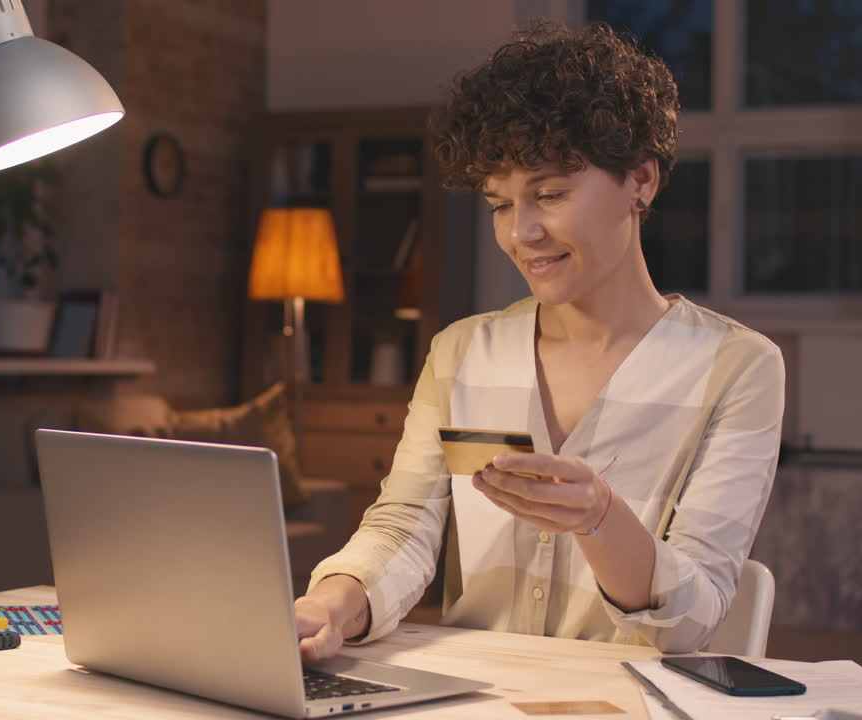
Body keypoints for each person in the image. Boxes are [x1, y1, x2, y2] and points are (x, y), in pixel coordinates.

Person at [294, 21, 785, 659]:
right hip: (471, 697)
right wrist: (332, 602)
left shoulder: (738, 368)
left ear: (642, 180)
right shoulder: (463, 353)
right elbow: (402, 527)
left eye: (549, 194)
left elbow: (695, 615)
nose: (521, 233)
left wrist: (601, 519)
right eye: (500, 204)